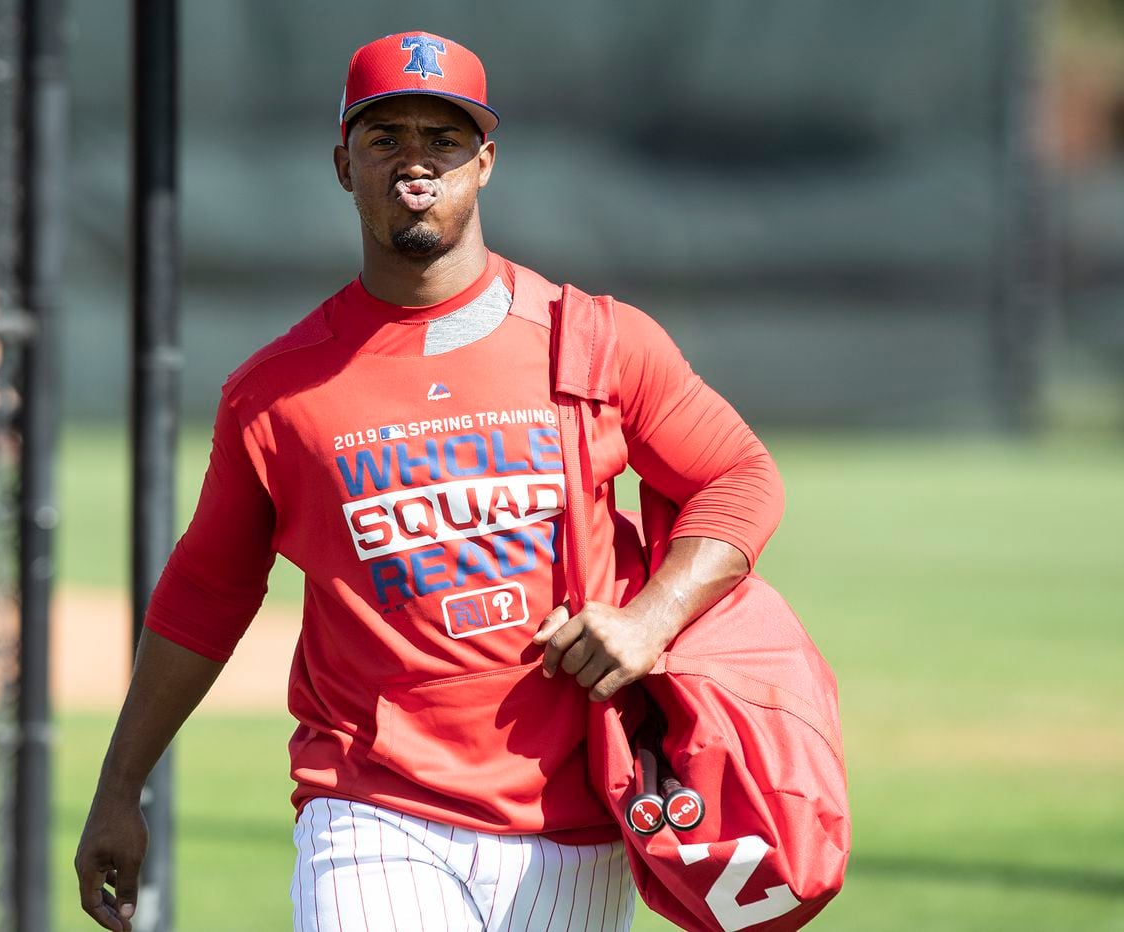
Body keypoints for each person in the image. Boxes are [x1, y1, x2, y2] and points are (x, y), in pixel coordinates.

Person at [75, 31, 784, 931]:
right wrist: (119, 788)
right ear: (345, 166)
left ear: (484, 162)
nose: (416, 161)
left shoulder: (597, 341)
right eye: (386, 138)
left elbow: (740, 476)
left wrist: (652, 617)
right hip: (371, 806)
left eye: (443, 139)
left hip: (571, 821)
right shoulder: (276, 393)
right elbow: (206, 592)